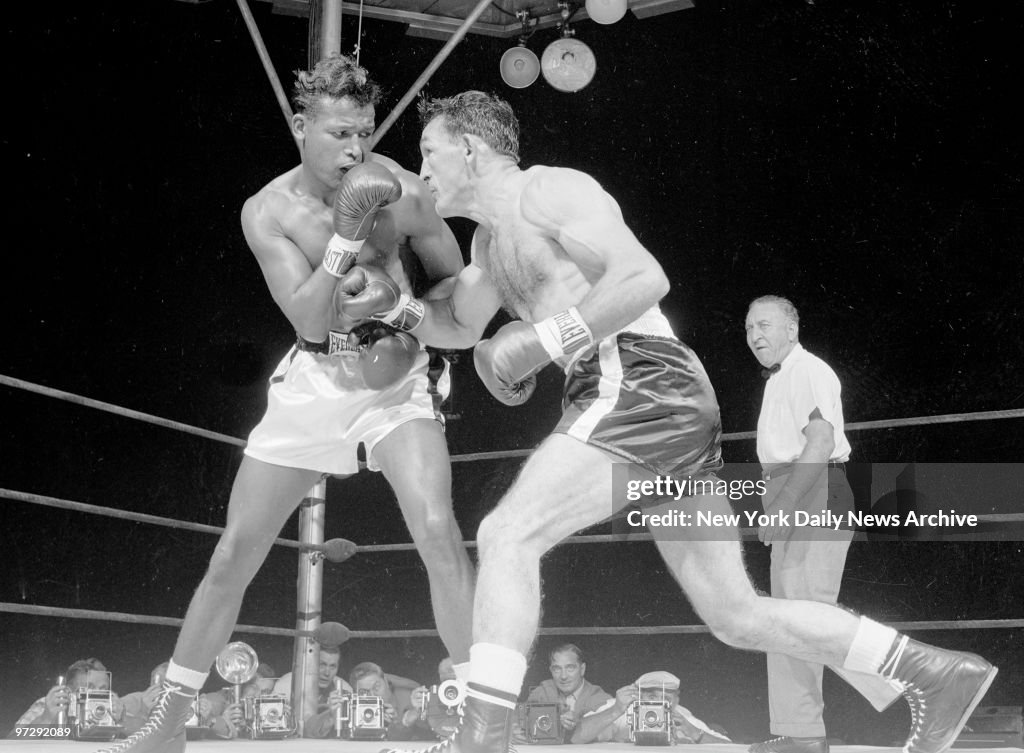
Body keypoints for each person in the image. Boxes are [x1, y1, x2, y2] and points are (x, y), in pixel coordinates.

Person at [335, 90, 998, 753]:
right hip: (649, 397)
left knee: (508, 532)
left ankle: (482, 740)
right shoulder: (488, 241)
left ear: (472, 149)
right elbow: (459, 323)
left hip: (640, 376)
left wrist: (541, 341)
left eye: (430, 151)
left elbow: (644, 278)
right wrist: (395, 309)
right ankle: (932, 670)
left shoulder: (549, 192)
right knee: (736, 615)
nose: (421, 172)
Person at [96, 54, 475, 753]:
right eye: (337, 134)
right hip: (316, 379)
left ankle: (486, 718)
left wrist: (414, 313)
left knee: (437, 528)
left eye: (363, 132)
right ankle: (171, 717)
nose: (355, 150)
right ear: (302, 126)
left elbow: (463, 288)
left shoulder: (405, 191)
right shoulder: (267, 211)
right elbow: (306, 320)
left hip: (396, 378)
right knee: (235, 551)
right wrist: (346, 236)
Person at [745, 295, 905, 753]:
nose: (756, 336)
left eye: (765, 325)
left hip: (812, 490)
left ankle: (919, 676)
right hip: (794, 489)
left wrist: (786, 502)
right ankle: (802, 735)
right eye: (749, 328)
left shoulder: (807, 370)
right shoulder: (782, 378)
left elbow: (821, 438)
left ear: (792, 329)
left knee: (809, 616)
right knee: (789, 620)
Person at [574, 671, 731, 744]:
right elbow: (577, 737)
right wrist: (615, 710)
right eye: (651, 697)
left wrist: (693, 731)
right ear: (638, 696)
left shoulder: (681, 714)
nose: (658, 705)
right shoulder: (622, 708)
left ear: (677, 699)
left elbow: (730, 746)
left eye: (666, 699)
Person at [522, 644, 611, 742]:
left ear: (582, 669)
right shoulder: (542, 692)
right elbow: (519, 719)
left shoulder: (599, 697)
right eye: (557, 669)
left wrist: (578, 723)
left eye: (570, 668)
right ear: (551, 671)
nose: (563, 676)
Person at [16, 658, 125, 728]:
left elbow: (140, 738)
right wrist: (46, 718)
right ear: (68, 692)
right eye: (89, 689)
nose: (97, 695)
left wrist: (122, 720)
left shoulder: (111, 709)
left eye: (103, 690)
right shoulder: (50, 705)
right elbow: (12, 741)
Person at [349, 662, 434, 741]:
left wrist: (398, 722)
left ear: (386, 681)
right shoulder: (352, 709)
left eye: (376, 687)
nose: (373, 696)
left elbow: (426, 734)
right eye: (364, 692)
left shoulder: (409, 698)